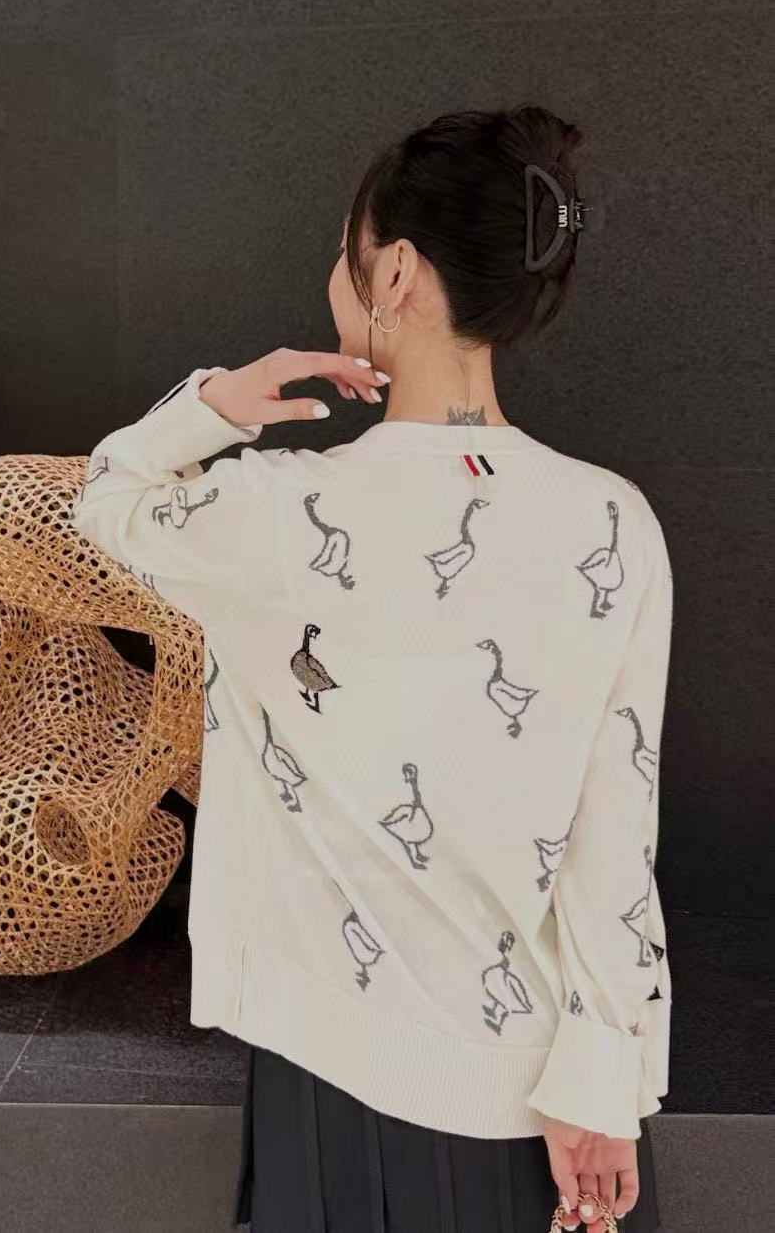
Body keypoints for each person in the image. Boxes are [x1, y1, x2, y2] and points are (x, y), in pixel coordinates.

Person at [70, 104, 670, 1231]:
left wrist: (217, 403)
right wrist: (604, 1078)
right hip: (538, 1095)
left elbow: (108, 501)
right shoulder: (614, 522)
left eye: (344, 251)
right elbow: (614, 827)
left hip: (330, 1079)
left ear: (395, 272)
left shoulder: (277, 513)